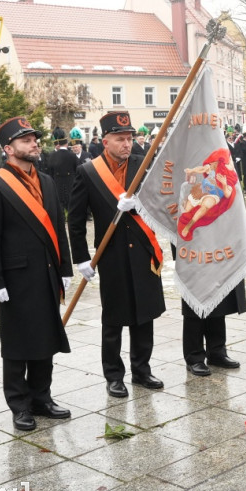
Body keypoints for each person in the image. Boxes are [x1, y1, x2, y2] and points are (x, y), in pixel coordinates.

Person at [0, 116, 73, 431]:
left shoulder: (45, 180)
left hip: (46, 274)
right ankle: (19, 405)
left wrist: (65, 268)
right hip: (16, 278)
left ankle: (42, 398)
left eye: (34, 139)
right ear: (8, 148)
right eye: (26, 140)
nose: (34, 144)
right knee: (18, 343)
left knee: (45, 338)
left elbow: (59, 227)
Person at [69, 111, 166, 398]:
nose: (127, 144)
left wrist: (139, 204)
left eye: (130, 138)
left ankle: (142, 369)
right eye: (120, 139)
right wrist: (81, 258)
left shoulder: (142, 164)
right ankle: (113, 375)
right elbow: (74, 219)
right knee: (113, 318)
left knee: (144, 314)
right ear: (105, 141)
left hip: (143, 250)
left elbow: (160, 204)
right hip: (110, 254)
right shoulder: (88, 171)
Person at [177, 241, 246, 377]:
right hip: (192, 242)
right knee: (195, 299)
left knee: (219, 298)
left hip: (219, 241)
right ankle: (194, 356)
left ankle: (217, 351)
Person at [45, 128, 79, 211]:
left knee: (59, 207)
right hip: (70, 183)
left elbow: (50, 171)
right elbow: (77, 170)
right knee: (71, 207)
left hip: (57, 183)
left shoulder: (52, 156)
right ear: (67, 144)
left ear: (58, 144)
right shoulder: (72, 155)